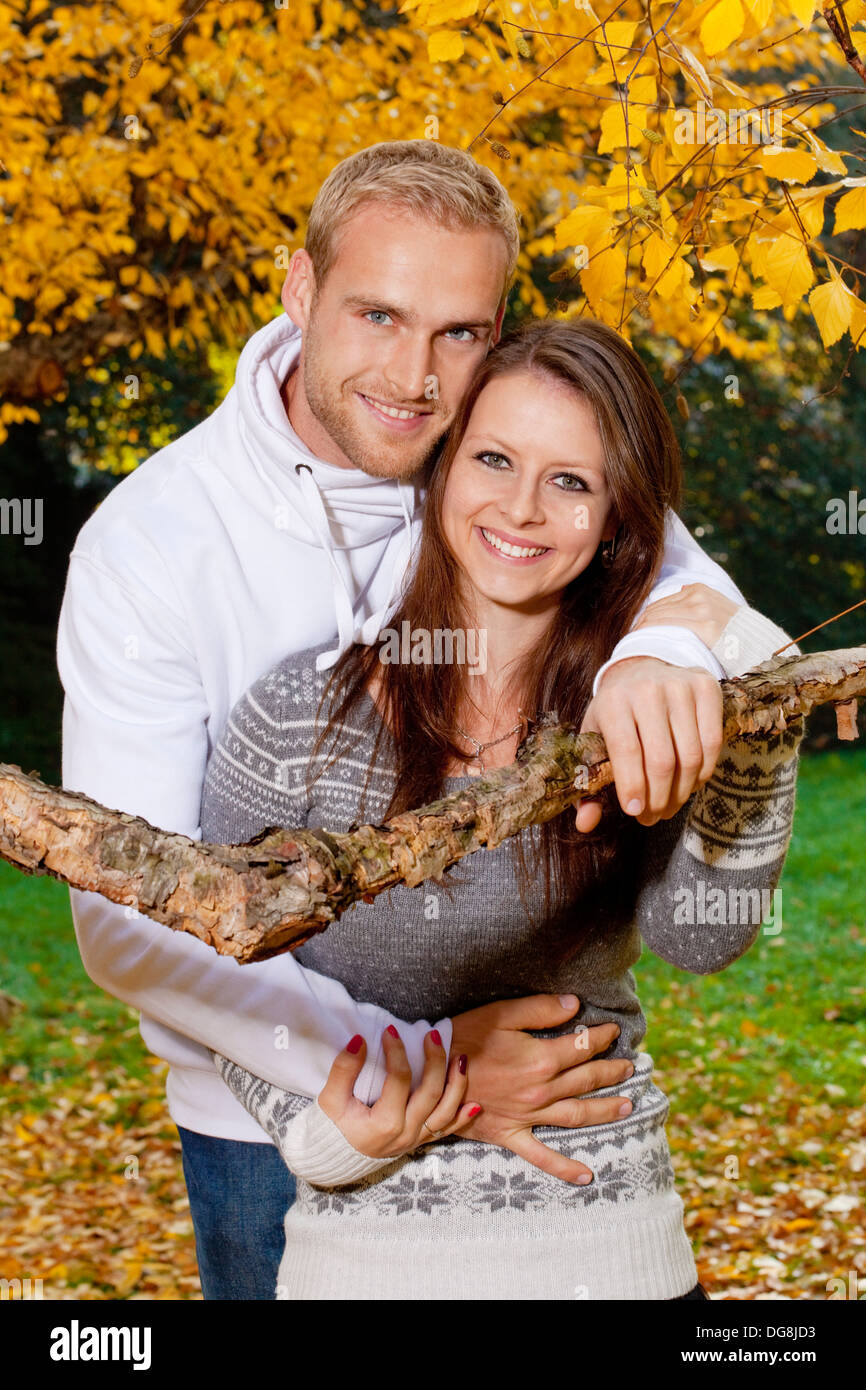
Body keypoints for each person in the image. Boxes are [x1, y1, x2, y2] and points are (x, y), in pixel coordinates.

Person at [58, 139, 750, 1300]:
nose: (412, 373)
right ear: (298, 288)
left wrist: (664, 647)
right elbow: (127, 912)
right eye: (376, 314)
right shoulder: (153, 539)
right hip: (256, 1110)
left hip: (547, 1115)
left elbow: (693, 587)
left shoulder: (486, 455)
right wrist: (423, 1070)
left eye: (458, 331)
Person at [200, 315, 802, 1301]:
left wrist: (756, 716)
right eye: (492, 458)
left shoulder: (632, 705)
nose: (520, 508)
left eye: (569, 480)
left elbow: (699, 937)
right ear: (438, 469)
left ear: (614, 517)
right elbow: (216, 967)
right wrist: (333, 1128)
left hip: (613, 1253)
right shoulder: (292, 715)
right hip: (366, 1268)